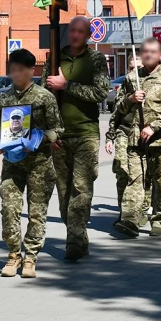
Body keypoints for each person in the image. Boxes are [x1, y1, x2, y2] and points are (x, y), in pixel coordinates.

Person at [0, 49, 63, 279]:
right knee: (9, 207)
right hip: (12, 163)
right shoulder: (4, 99)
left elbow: (58, 129)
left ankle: (30, 257)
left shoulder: (44, 98)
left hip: (39, 163)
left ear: (32, 70)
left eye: (21, 70)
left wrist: (41, 138)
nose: (17, 74)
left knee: (36, 213)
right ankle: (13, 254)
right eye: (13, 70)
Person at [44, 16, 110, 261]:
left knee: (81, 190)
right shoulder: (55, 57)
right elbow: (44, 95)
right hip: (60, 135)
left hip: (86, 134)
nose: (75, 35)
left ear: (88, 35)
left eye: (80, 31)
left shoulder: (96, 59)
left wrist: (66, 85)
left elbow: (101, 92)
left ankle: (72, 243)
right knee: (63, 194)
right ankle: (79, 236)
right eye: (72, 30)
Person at [108, 38, 161, 237]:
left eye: (152, 52)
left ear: (160, 55)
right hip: (136, 141)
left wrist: (154, 127)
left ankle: (160, 219)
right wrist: (130, 99)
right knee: (135, 180)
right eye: (144, 52)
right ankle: (130, 220)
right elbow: (118, 107)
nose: (148, 55)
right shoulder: (133, 78)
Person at [105, 57, 143, 228]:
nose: (132, 71)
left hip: (142, 136)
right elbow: (116, 114)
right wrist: (109, 138)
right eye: (130, 67)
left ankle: (139, 211)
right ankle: (124, 213)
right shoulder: (125, 86)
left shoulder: (149, 85)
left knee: (140, 176)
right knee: (122, 173)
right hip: (124, 133)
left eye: (137, 68)